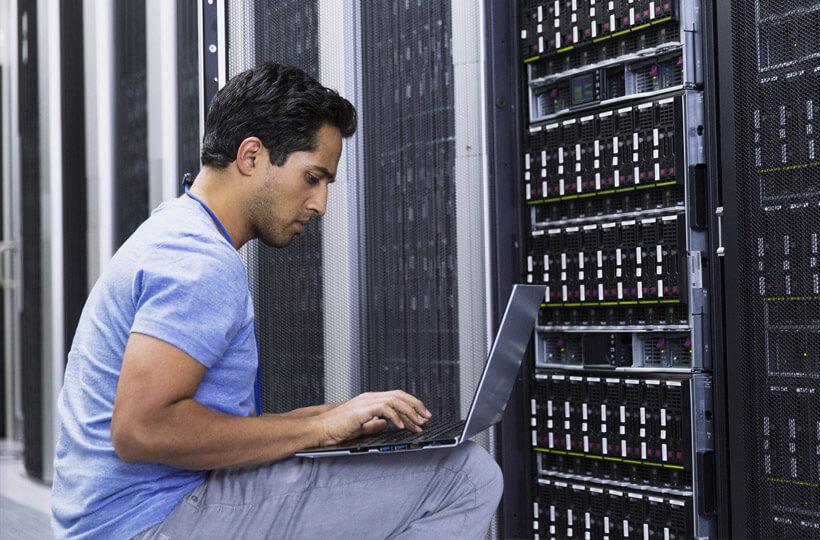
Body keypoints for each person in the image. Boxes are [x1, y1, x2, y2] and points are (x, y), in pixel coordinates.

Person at [51, 62, 502, 540]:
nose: (320, 204)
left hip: (141, 514)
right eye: (312, 178)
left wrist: (331, 417)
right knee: (466, 476)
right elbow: (142, 430)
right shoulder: (198, 260)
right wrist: (318, 432)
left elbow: (209, 427)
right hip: (151, 522)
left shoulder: (177, 231)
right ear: (251, 156)